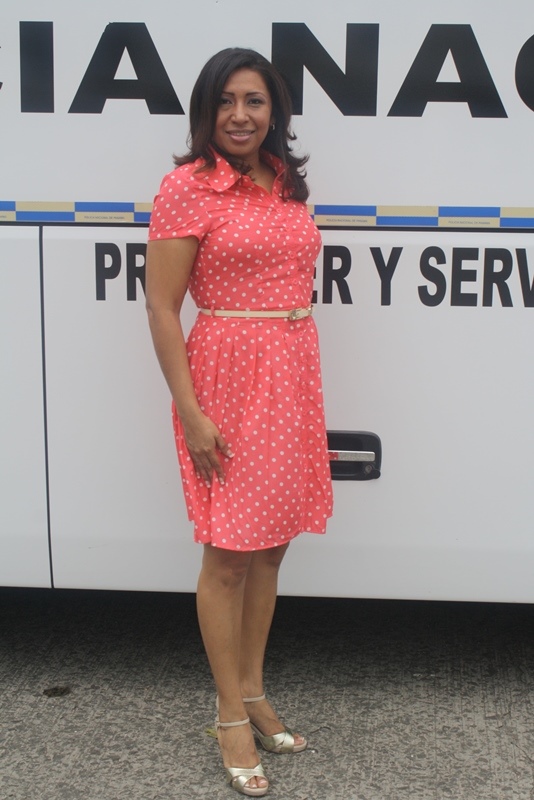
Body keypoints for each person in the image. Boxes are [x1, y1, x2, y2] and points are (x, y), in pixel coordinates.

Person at [145, 47, 333, 797]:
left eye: (253, 100)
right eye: (225, 101)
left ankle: (253, 690)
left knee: (271, 548)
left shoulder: (283, 181)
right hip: (227, 378)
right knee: (227, 555)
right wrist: (190, 412)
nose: (239, 115)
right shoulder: (187, 187)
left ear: (274, 110)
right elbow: (163, 307)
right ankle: (228, 712)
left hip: (292, 373)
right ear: (205, 110)